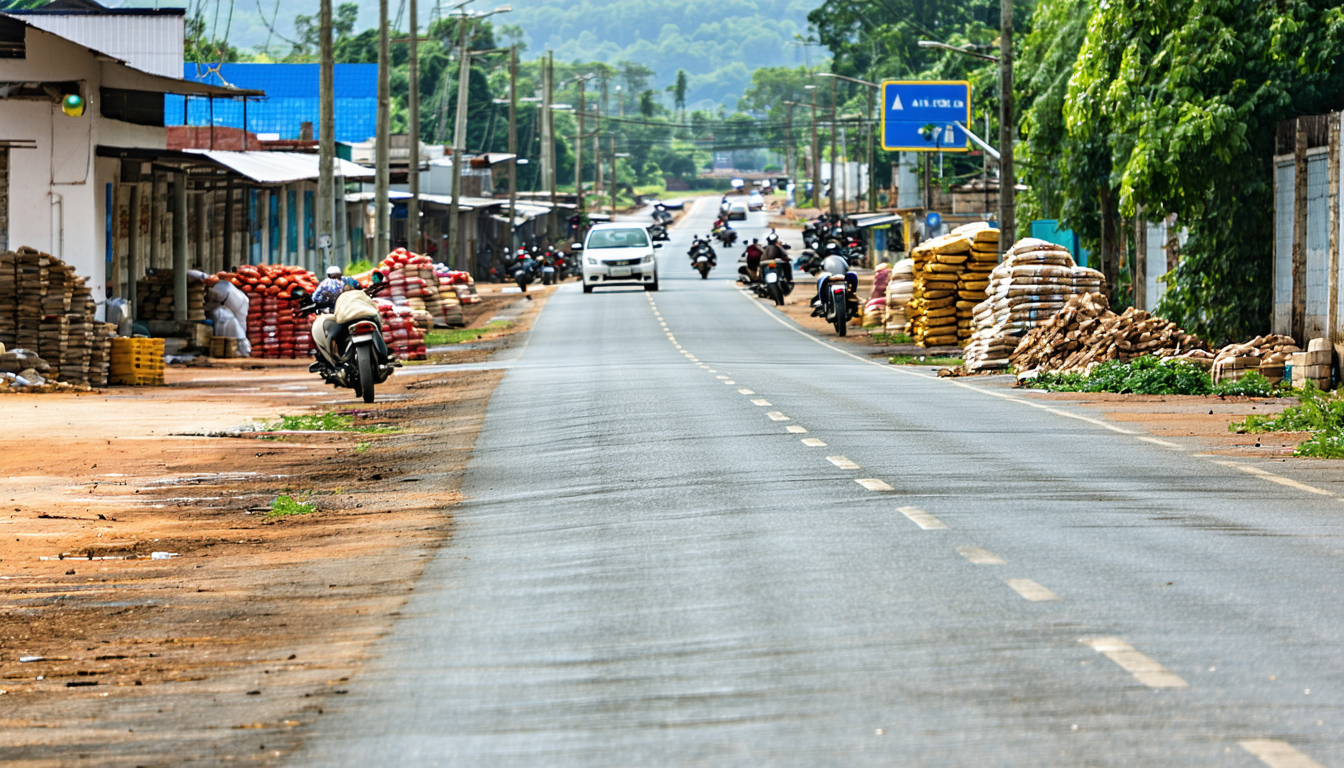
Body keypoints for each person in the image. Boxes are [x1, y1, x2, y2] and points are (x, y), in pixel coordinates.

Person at [811, 251, 857, 317]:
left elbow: (822, 267)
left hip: (831, 278)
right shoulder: (842, 259)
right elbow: (847, 268)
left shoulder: (825, 260)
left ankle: (823, 304)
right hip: (842, 278)